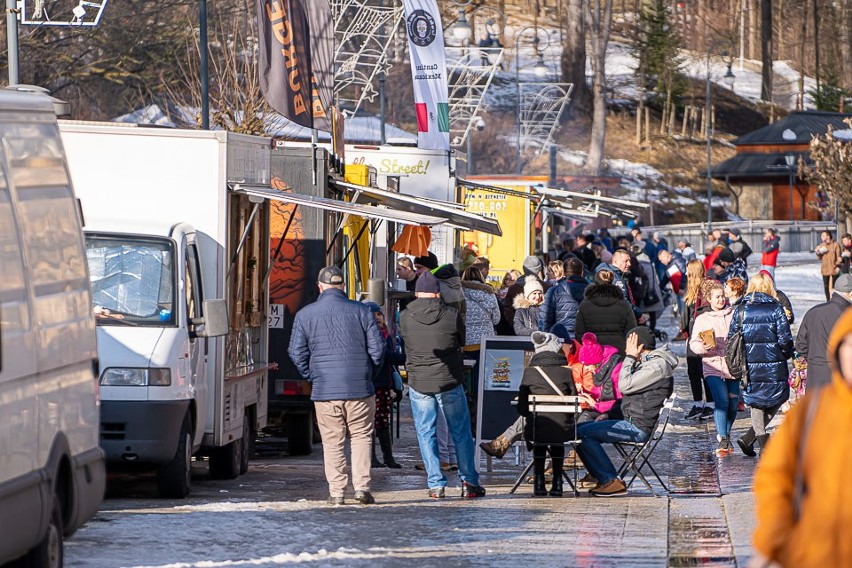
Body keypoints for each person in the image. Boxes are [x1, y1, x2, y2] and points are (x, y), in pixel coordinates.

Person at [749, 308, 852, 568]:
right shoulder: (810, 412)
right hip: (811, 555)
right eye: (850, 344)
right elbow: (774, 477)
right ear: (838, 349)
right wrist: (773, 536)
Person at [288, 266, 385, 506]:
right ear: (343, 286)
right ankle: (362, 488)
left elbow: (296, 351)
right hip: (360, 389)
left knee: (333, 441)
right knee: (362, 437)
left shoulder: (305, 314)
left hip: (325, 391)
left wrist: (313, 375)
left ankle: (337, 492)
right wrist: (367, 374)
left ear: (320, 287)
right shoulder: (362, 311)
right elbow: (378, 349)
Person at [399, 271, 486, 499]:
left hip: (419, 381)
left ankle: (436, 483)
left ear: (417, 293)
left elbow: (405, 344)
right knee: (461, 432)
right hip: (449, 379)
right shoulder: (451, 314)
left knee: (425, 432)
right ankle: (469, 482)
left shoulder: (405, 317)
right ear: (437, 293)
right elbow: (461, 341)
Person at [575, 327, 676, 496]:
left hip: (637, 427)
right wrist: (609, 414)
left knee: (582, 433)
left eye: (629, 345)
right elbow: (628, 399)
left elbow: (625, 385)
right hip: (631, 420)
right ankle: (601, 476)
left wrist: (629, 358)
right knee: (580, 429)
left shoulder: (656, 367)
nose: (626, 349)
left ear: (639, 347)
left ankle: (609, 479)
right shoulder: (649, 363)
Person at [728, 276, 794, 457]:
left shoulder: (741, 309)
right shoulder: (776, 308)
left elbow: (732, 336)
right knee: (778, 397)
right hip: (774, 363)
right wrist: (787, 353)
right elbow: (785, 338)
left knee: (755, 400)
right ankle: (764, 443)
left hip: (748, 363)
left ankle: (750, 437)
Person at [517, 331, 578, 497]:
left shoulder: (529, 373)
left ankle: (539, 483)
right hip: (562, 429)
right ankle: (558, 483)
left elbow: (522, 408)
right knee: (556, 436)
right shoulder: (566, 372)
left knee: (540, 437)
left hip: (537, 428)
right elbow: (573, 401)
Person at [689, 282, 738, 455]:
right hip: (712, 365)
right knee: (722, 400)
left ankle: (726, 433)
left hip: (733, 365)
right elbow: (693, 343)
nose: (721, 300)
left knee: (733, 402)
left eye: (723, 296)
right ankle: (723, 438)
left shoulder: (733, 314)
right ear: (709, 299)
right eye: (717, 297)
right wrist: (704, 348)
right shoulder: (703, 319)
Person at [362, 301, 404, 469]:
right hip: (374, 382)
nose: (377, 318)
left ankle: (387, 457)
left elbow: (389, 362)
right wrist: (406, 358)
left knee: (382, 420)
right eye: (374, 315)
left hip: (384, 383)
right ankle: (373, 458)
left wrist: (395, 384)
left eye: (378, 314)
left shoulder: (385, 334)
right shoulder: (370, 335)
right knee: (372, 420)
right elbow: (385, 357)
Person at [794, 273, 852, 391]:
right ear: (850, 294)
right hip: (841, 379)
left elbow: (801, 346)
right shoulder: (848, 317)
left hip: (815, 377)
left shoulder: (813, 312)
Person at [575, 270, 637, 356]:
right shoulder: (623, 304)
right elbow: (631, 330)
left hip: (593, 351)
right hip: (618, 351)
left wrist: (585, 347)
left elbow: (579, 331)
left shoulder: (585, 304)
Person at [682, 260, 714, 420]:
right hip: (692, 334)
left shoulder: (706, 288)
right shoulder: (690, 291)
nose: (685, 273)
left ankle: (710, 403)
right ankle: (697, 403)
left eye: (688, 270)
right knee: (693, 370)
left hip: (704, 333)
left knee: (706, 369)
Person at [539, 258, 582, 337]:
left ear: (564, 273)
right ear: (581, 273)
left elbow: (545, 318)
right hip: (584, 339)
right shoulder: (591, 291)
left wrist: (544, 339)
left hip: (560, 338)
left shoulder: (554, 291)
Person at [815, 230, 842, 301]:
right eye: (821, 236)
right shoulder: (822, 245)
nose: (822, 237)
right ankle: (828, 300)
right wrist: (818, 252)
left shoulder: (835, 245)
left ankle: (835, 300)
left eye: (823, 235)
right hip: (825, 269)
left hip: (834, 268)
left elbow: (839, 257)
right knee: (826, 286)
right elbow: (818, 258)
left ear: (828, 236)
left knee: (834, 287)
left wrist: (838, 266)